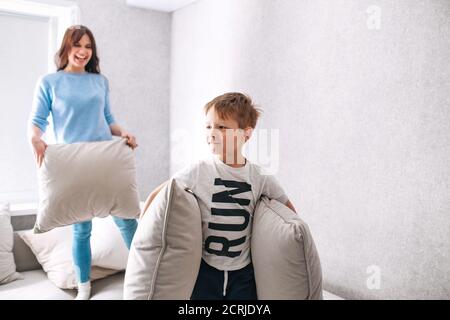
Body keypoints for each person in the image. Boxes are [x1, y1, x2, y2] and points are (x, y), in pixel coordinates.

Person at [141, 92, 297, 299]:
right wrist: (142, 236)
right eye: (208, 126)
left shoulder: (260, 176)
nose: (212, 133)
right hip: (205, 269)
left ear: (246, 134)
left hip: (243, 272)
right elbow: (159, 194)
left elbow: (288, 213)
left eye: (222, 127)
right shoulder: (199, 170)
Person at [28, 25, 138, 300]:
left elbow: (108, 118)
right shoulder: (49, 82)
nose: (83, 51)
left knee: (127, 222)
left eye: (88, 46)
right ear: (66, 48)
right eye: (78, 45)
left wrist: (122, 131)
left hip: (104, 159)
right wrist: (35, 139)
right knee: (82, 229)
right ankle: (84, 287)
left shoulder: (99, 81)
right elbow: (38, 121)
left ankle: (145, 275)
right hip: (74, 163)